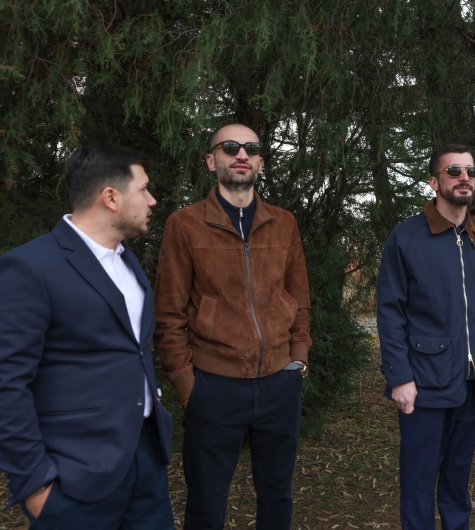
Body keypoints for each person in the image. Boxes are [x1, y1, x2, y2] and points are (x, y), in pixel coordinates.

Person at [0, 145, 174, 529]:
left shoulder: (128, 261)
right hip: (75, 474)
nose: (152, 200)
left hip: (146, 462)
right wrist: (34, 482)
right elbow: (6, 382)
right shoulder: (30, 267)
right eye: (143, 189)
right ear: (110, 197)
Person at [154, 124, 312, 530]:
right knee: (206, 503)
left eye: (251, 148)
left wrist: (298, 360)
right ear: (211, 161)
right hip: (213, 387)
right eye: (230, 147)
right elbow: (168, 314)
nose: (242, 154)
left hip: (279, 384)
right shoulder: (184, 224)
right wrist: (187, 386)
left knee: (277, 497)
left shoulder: (284, 223)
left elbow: (298, 297)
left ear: (260, 162)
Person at [377, 144, 475, 529]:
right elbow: (390, 312)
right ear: (434, 182)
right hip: (425, 380)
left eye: (471, 171)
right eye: (454, 171)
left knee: (458, 474)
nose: (464, 178)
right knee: (419, 479)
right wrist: (399, 377)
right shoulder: (406, 238)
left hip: (474, 381)